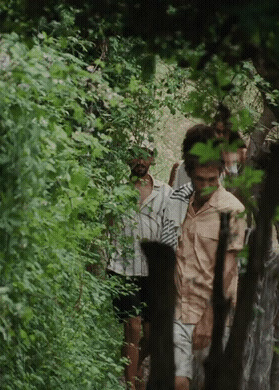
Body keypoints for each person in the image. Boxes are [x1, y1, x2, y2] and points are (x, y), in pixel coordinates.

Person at [163, 124, 248, 390]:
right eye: (202, 180)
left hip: (214, 313)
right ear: (189, 175)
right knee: (177, 383)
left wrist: (208, 319)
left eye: (214, 179)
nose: (208, 186)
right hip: (178, 309)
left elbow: (227, 270)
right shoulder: (177, 203)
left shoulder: (232, 210)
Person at [107, 142, 173, 390]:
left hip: (154, 270)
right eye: (134, 156)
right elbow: (107, 226)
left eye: (144, 156)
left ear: (153, 159)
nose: (139, 161)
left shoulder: (166, 193)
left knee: (153, 334)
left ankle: (128, 364)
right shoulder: (118, 192)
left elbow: (172, 231)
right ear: (128, 160)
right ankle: (133, 384)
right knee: (132, 327)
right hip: (123, 267)